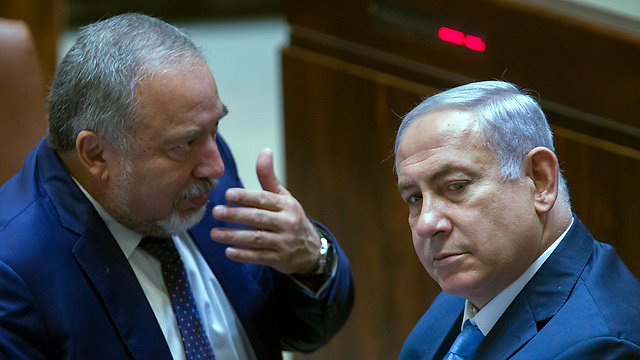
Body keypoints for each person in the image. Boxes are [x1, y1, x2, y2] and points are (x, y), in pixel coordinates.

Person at [0, 13, 354, 360]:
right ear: (95, 154)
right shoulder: (14, 275)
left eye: (216, 127)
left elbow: (296, 331)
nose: (216, 166)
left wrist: (311, 260)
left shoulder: (202, 166)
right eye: (183, 144)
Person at [394, 80, 640, 359]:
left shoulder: (604, 347)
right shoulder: (471, 290)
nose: (426, 224)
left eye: (456, 186)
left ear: (539, 180)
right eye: (415, 198)